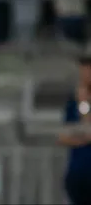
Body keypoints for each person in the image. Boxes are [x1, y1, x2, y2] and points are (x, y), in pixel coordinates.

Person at [59, 56, 91, 205]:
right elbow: (63, 136)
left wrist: (84, 104)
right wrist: (84, 138)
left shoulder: (81, 103)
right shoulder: (72, 103)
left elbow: (87, 127)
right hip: (77, 174)